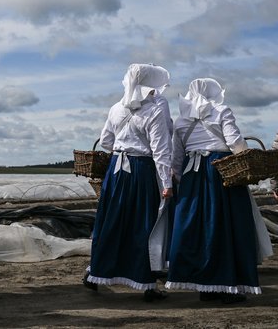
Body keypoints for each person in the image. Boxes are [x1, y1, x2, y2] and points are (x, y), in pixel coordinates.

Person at [165, 78, 273, 304]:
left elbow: (176, 157)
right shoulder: (222, 111)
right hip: (221, 173)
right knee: (224, 226)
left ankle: (205, 285)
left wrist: (178, 180)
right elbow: (235, 143)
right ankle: (226, 286)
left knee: (197, 229)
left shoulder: (182, 120)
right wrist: (247, 159)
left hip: (191, 174)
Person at [83, 63, 173, 301]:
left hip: (116, 171)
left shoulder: (116, 108)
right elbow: (161, 151)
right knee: (142, 225)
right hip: (141, 171)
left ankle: (96, 272)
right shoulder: (154, 111)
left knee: (110, 222)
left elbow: (105, 141)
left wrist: (121, 151)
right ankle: (147, 284)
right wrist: (167, 182)